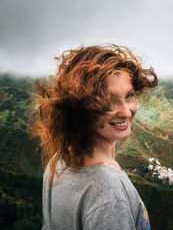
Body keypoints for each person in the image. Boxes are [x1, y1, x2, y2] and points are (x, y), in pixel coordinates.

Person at [35, 44, 158, 230]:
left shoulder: (60, 160)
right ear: (81, 108)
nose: (126, 112)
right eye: (108, 102)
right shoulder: (109, 196)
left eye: (129, 95)